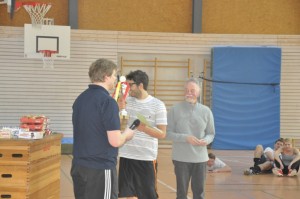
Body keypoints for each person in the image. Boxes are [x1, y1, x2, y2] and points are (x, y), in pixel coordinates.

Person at [71, 58, 135, 199]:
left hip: (79, 167)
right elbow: (115, 141)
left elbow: (95, 125)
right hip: (99, 169)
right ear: (106, 76)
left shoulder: (80, 99)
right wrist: (127, 134)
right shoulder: (107, 101)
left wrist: (115, 110)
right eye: (113, 75)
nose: (114, 79)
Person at [118, 70, 167, 199]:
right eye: (126, 85)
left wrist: (144, 128)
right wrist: (120, 109)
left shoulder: (158, 105)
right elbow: (119, 125)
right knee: (126, 195)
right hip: (126, 155)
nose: (128, 89)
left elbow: (162, 134)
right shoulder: (126, 101)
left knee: (148, 195)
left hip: (145, 158)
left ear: (140, 85)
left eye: (131, 85)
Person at [166, 78, 215, 199]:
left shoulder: (206, 111)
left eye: (192, 90)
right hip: (181, 159)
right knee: (181, 194)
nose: (189, 93)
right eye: (187, 90)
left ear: (198, 93)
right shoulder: (174, 110)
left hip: (200, 159)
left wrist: (206, 141)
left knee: (199, 194)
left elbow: (211, 134)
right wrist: (185, 137)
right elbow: (167, 133)